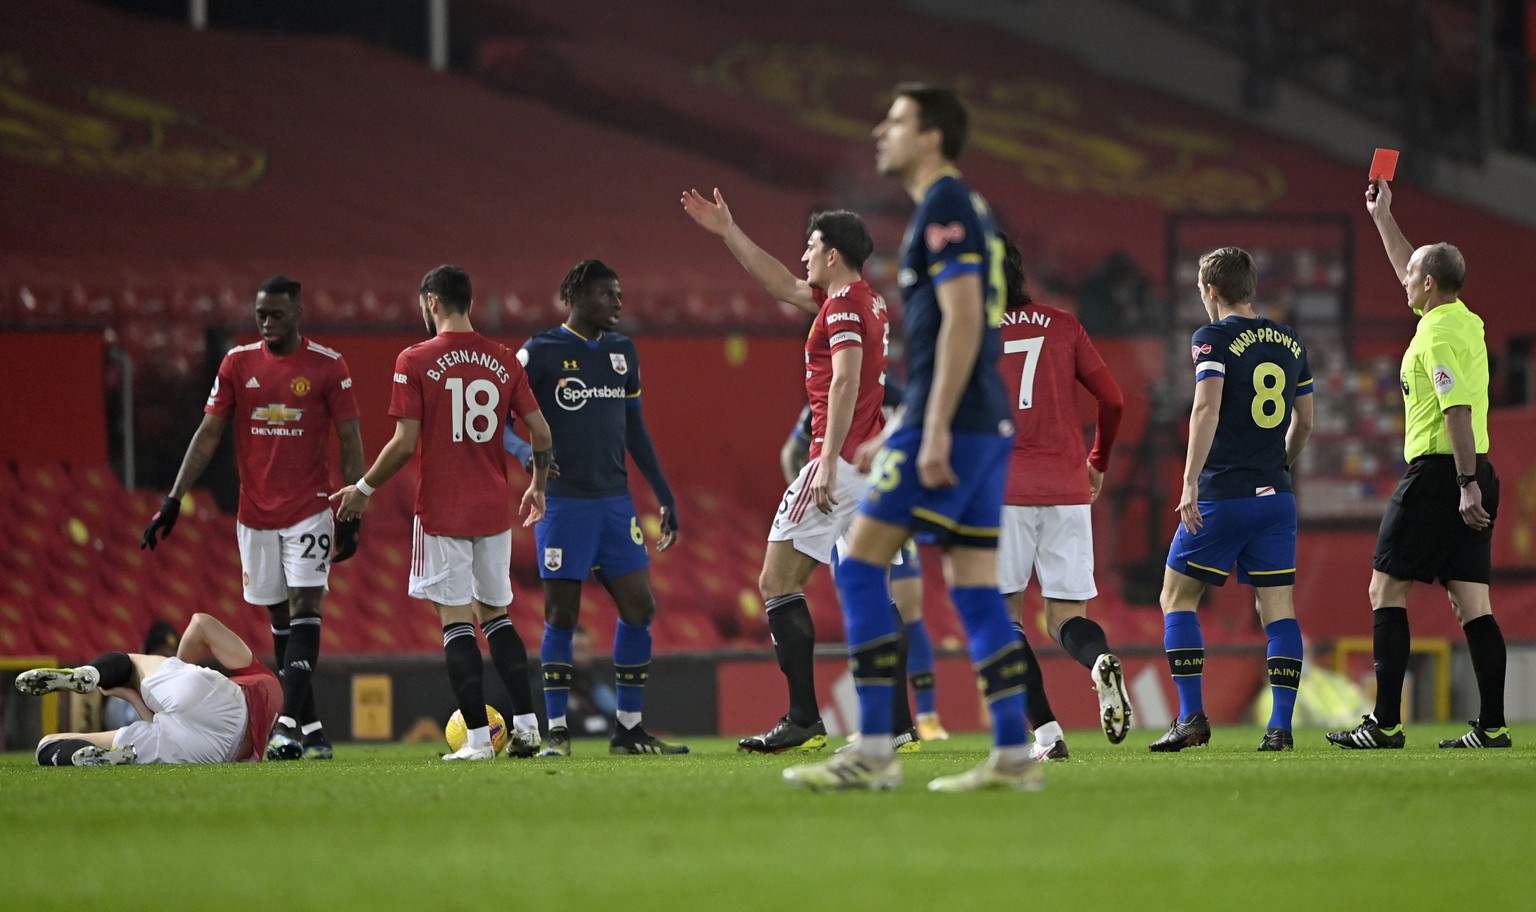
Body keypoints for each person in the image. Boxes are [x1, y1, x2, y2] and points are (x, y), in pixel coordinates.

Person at [783, 84, 1035, 792]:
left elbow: (960, 321)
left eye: (894, 120)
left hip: (952, 427)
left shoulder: (947, 207)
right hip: (982, 425)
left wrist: (922, 429)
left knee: (860, 565)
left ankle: (872, 750)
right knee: (975, 590)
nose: (879, 130)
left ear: (931, 137)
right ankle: (1014, 755)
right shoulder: (961, 208)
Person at [680, 190, 894, 754]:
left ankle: (804, 719)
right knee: (869, 589)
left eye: (811, 245)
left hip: (839, 462)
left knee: (776, 583)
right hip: (868, 464)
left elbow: (846, 379)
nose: (803, 254)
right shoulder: (864, 300)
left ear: (834, 254)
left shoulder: (843, 309)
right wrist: (729, 230)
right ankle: (895, 722)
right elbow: (780, 283)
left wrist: (822, 459)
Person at [331, 265, 550, 761]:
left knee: (455, 623)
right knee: (498, 616)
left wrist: (364, 488)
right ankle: (529, 729)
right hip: (494, 508)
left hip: (443, 509)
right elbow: (541, 433)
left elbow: (405, 443)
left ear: (431, 301)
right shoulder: (503, 360)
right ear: (468, 301)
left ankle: (477, 742)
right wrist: (537, 486)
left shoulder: (414, 359)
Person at [142, 274, 363, 762]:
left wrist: (351, 507)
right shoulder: (238, 364)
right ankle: (313, 730)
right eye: (260, 314)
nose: (266, 322)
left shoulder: (327, 366)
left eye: (277, 314)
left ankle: (284, 726)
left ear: (297, 313)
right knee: (280, 621)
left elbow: (350, 438)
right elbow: (207, 433)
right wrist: (174, 498)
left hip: (309, 510)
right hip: (256, 516)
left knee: (307, 609)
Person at [1328, 178, 1508, 750]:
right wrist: (1384, 217)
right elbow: (1417, 271)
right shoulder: (1464, 320)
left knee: (1385, 590)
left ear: (1428, 285)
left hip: (1440, 475)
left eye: (1412, 277)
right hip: (1477, 467)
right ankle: (1494, 727)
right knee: (1472, 603)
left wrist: (1462, 485)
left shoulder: (1432, 337)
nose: (1403, 279)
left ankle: (1383, 723)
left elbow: (1454, 407)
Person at [507, 259, 686, 757]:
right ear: (579, 295)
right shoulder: (539, 352)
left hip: (615, 502)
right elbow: (496, 419)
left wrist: (664, 492)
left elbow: (635, 430)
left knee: (640, 606)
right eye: (609, 294)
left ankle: (628, 730)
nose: (618, 303)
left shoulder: (623, 353)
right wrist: (527, 454)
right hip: (565, 505)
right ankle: (558, 733)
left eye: (620, 295)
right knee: (562, 615)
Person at [1150, 246, 1314, 753]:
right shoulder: (1289, 339)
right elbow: (1304, 421)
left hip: (1223, 493)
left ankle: (1191, 717)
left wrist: (1189, 481)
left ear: (1212, 290)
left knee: (1177, 597)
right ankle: (1280, 728)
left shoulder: (1212, 337)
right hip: (1275, 498)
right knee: (1278, 611)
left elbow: (1206, 408)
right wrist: (1279, 468)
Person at [993, 232, 1130, 761]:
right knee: (1066, 619)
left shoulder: (971, 332)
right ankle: (1098, 662)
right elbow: (1113, 400)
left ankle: (1047, 735)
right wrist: (1098, 460)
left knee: (1002, 620)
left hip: (1003, 490)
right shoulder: (1064, 324)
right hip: (1069, 490)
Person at [781, 396, 949, 742]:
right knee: (867, 602)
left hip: (886, 501)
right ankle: (885, 723)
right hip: (851, 505)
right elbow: (790, 453)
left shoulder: (895, 393)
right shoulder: (823, 406)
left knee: (904, 605)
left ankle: (922, 714)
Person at [16, 612, 282, 766]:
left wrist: (178, 668)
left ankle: (89, 673)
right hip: (216, 754)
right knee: (48, 746)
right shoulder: (270, 710)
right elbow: (163, 725)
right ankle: (93, 757)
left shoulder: (264, 677)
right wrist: (132, 694)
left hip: (214, 708)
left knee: (131, 663)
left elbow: (201, 623)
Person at [101, 620, 182, 730]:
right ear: (146, 655)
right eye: (161, 657)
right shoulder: (125, 687)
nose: (166, 665)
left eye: (171, 659)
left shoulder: (178, 688)